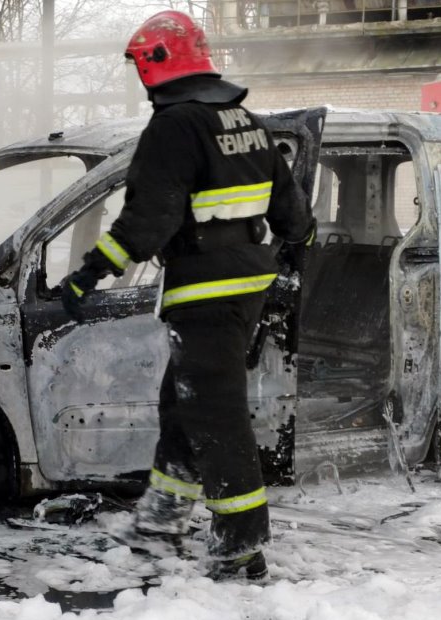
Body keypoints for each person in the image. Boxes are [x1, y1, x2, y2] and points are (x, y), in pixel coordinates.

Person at [60, 10, 315, 582]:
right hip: (247, 281)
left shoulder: (175, 127)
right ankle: (162, 518)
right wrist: (290, 255)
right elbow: (295, 217)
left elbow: (148, 220)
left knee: (214, 413)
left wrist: (89, 273)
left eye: (139, 64)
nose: (138, 77)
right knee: (184, 401)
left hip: (205, 287)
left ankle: (240, 545)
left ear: (157, 62)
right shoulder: (245, 120)